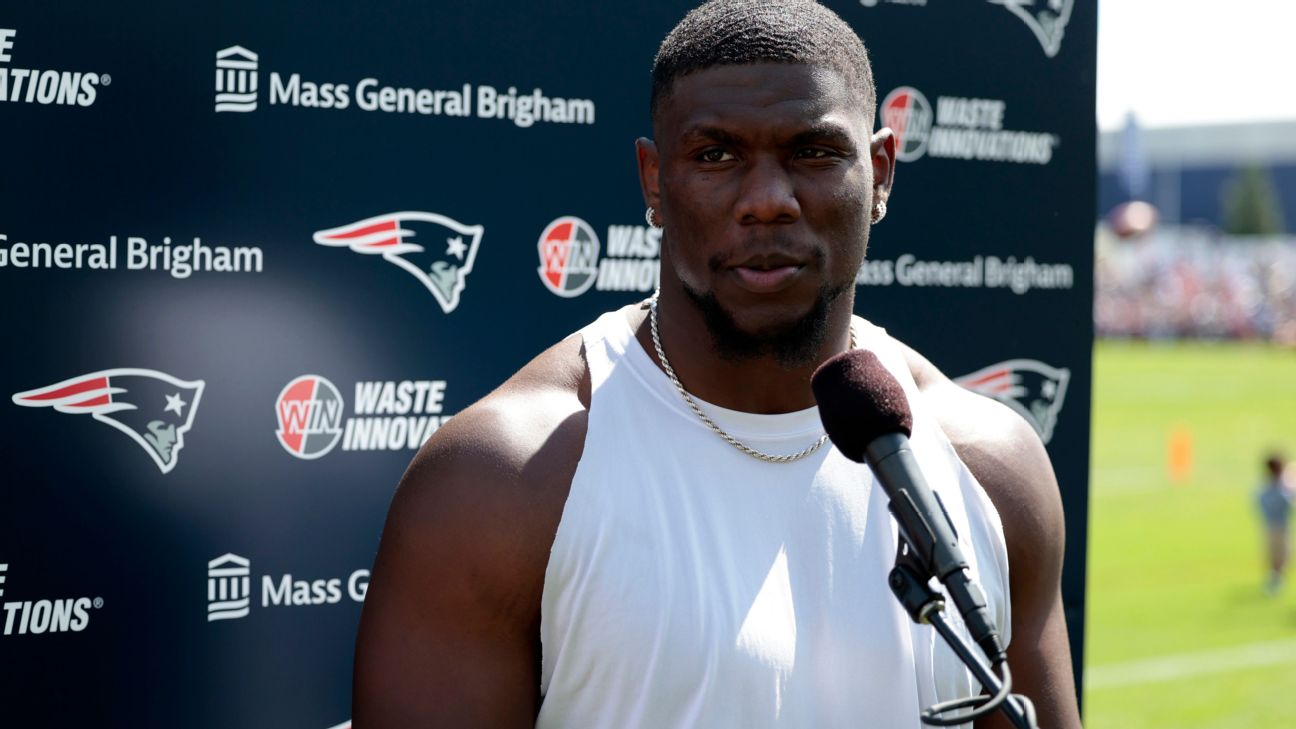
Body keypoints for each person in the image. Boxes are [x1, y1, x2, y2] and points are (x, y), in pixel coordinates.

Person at [353, 2, 1083, 727]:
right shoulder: (502, 482)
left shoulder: (987, 465)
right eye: (715, 155)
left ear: (881, 171)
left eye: (814, 152)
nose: (767, 201)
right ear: (653, 182)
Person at [1258, 453, 1292, 594]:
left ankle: (1276, 577)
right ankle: (1275, 577)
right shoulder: (1277, 486)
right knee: (1277, 553)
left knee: (1280, 554)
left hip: (1277, 524)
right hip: (1275, 523)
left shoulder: (1279, 485)